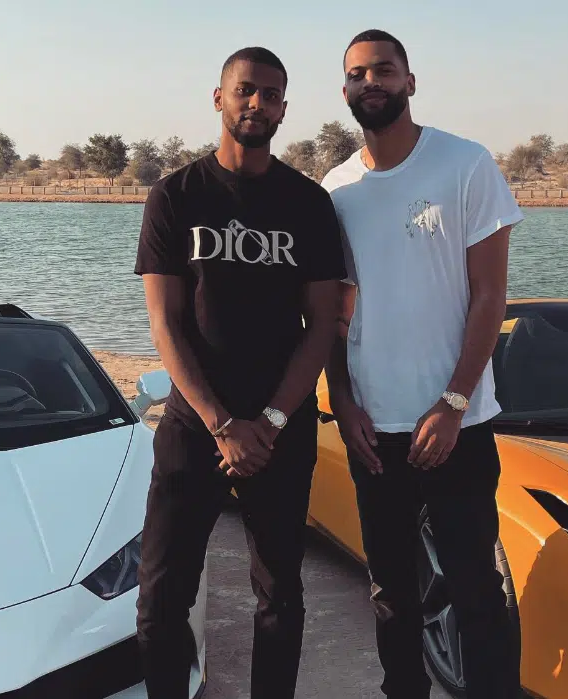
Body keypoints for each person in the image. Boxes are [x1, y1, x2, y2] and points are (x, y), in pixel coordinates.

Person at [133, 46, 347, 699]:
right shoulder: (176, 196)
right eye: (246, 90)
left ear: (284, 108)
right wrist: (223, 423)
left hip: (282, 430)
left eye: (272, 94)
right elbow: (166, 325)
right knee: (160, 595)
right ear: (219, 98)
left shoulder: (307, 204)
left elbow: (324, 322)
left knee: (279, 592)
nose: (258, 103)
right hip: (195, 428)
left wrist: (272, 420)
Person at [321, 29, 525, 699]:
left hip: (457, 426)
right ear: (345, 90)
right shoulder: (337, 188)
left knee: (476, 593)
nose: (370, 82)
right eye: (357, 74)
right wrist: (343, 402)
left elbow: (490, 293)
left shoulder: (464, 165)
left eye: (383, 70)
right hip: (372, 432)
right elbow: (337, 310)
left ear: (411, 81)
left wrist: (455, 399)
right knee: (390, 593)